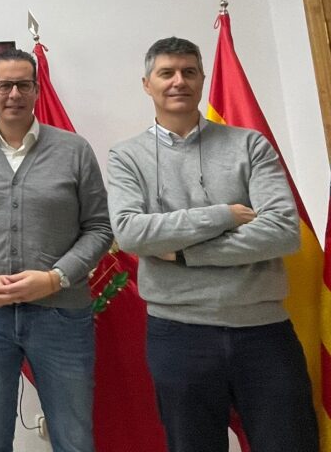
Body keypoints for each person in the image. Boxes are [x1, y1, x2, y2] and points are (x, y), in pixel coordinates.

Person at [108, 36, 318, 452]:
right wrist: (224, 215)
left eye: (189, 72)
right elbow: (132, 233)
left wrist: (184, 253)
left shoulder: (250, 145)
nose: (178, 81)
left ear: (202, 79)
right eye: (166, 73)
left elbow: (281, 231)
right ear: (147, 84)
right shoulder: (126, 156)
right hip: (179, 335)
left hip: (264, 333)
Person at [0, 48, 112, 452]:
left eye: (23, 85)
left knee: (73, 437)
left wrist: (55, 278)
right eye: (4, 85)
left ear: (36, 89)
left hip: (62, 314)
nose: (14, 94)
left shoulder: (74, 150)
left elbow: (99, 228)